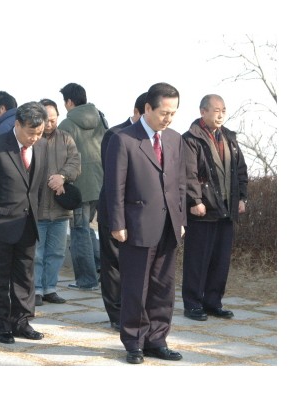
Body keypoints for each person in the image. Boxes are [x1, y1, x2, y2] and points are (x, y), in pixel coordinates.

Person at [105, 82, 186, 364]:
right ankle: (134, 342)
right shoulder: (124, 139)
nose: (168, 118)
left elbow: (180, 183)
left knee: (163, 288)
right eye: (164, 112)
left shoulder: (175, 139)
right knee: (136, 287)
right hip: (136, 225)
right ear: (148, 108)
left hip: (169, 225)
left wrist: (181, 218)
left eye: (173, 113)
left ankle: (157, 340)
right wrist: (117, 223)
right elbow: (115, 186)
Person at [0, 101, 48, 344]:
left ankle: (22, 321)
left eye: (39, 133)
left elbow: (37, 187)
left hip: (27, 222)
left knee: (25, 277)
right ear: (17, 125)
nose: (34, 138)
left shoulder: (41, 146)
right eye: (30, 132)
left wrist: (38, 215)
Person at [181, 94, 249, 321]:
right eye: (216, 110)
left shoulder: (229, 137)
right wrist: (195, 201)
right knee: (197, 259)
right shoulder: (190, 139)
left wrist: (242, 197)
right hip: (202, 210)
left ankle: (213, 302)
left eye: (223, 110)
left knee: (221, 260)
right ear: (203, 111)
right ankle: (192, 304)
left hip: (227, 209)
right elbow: (188, 174)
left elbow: (240, 170)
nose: (220, 115)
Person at [98, 92, 146, 331]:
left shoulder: (154, 137)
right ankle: (116, 313)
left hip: (141, 212)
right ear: (138, 111)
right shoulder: (115, 134)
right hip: (114, 207)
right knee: (113, 263)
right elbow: (113, 176)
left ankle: (134, 310)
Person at [57, 82, 106, 290]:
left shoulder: (67, 125)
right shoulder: (100, 118)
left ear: (69, 101)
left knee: (79, 231)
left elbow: (60, 157)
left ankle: (86, 280)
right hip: (100, 182)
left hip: (78, 186)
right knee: (88, 229)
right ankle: (100, 268)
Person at [33, 99, 81, 306]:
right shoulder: (33, 138)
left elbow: (76, 163)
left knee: (56, 252)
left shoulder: (66, 138)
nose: (50, 124)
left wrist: (62, 177)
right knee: (36, 253)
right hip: (37, 208)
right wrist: (50, 180)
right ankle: (35, 289)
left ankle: (50, 288)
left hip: (60, 208)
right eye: (47, 120)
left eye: (53, 119)